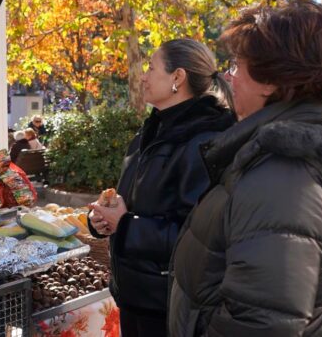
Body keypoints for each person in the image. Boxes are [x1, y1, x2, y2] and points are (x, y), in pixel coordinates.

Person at [169, 0, 322, 336]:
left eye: (237, 65)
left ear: (270, 81)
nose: (229, 75)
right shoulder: (295, 149)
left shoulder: (286, 172)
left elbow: (260, 323)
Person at [88, 39, 235, 337]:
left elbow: (197, 236)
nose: (143, 76)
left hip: (168, 307)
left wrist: (127, 225)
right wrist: (105, 219)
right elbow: (136, 203)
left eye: (151, 68)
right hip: (136, 297)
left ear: (177, 78)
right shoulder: (152, 131)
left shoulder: (203, 142)